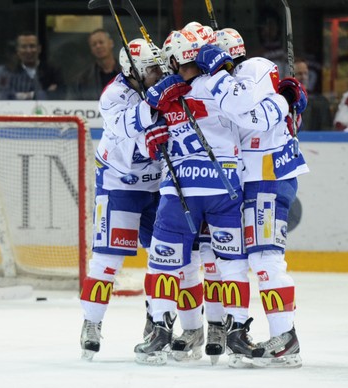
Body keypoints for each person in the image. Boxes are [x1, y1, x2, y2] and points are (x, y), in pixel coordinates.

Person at [195, 27, 309, 368]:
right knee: (251, 262)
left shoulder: (253, 69)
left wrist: (283, 101)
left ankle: (285, 335)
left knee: (266, 261)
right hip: (255, 179)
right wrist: (285, 100)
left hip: (268, 177)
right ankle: (271, 333)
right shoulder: (232, 81)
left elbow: (251, 115)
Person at [132, 29, 247, 366]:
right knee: (228, 265)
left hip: (180, 189)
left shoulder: (166, 94)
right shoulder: (218, 85)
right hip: (223, 186)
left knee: (165, 263)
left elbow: (145, 137)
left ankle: (162, 328)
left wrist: (151, 118)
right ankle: (233, 329)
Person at [79, 38, 165, 361]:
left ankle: (157, 321)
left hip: (157, 188)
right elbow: (129, 128)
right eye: (150, 69)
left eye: (158, 67)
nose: (157, 73)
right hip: (120, 186)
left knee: (163, 259)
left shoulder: (158, 85)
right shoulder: (113, 96)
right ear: (132, 71)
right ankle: (91, 323)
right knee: (107, 261)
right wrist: (155, 102)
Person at [0, 31, 64, 100]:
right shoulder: (8, 72)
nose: (28, 51)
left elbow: (58, 95)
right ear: (18, 50)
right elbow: (5, 96)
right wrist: (39, 94)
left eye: (32, 46)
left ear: (39, 49)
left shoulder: (53, 71)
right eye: (24, 47)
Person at [68, 29, 121, 100]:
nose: (98, 46)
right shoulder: (81, 80)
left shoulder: (127, 74)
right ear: (91, 50)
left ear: (111, 43)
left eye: (101, 42)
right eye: (94, 44)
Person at [295, 58, 332, 131]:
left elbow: (326, 131)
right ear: (289, 76)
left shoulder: (321, 102)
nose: (304, 77)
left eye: (306, 73)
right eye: (299, 74)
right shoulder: (283, 102)